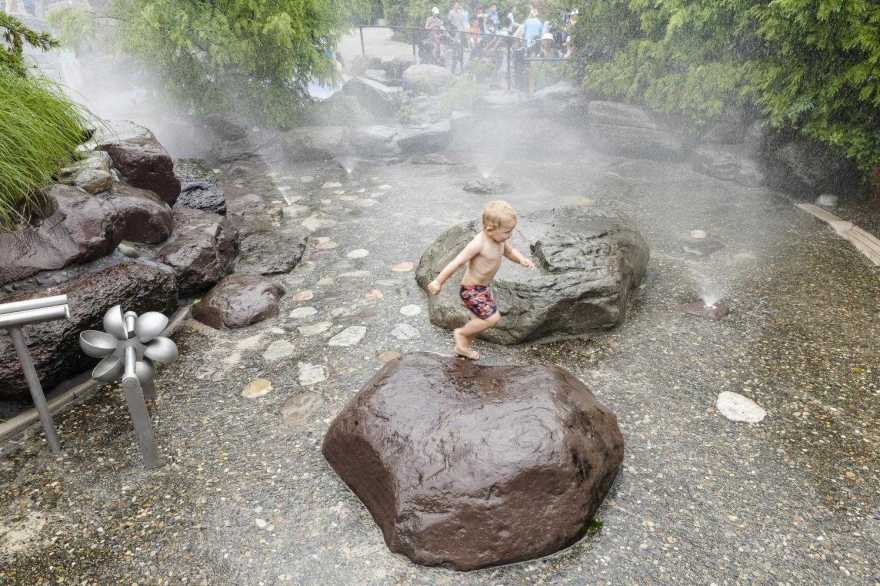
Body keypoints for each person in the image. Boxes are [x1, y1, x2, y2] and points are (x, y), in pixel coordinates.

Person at [427, 200, 535, 360]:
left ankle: (462, 347)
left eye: (511, 231)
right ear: (489, 228)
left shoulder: (500, 239)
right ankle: (461, 334)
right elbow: (456, 262)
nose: (509, 235)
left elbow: (510, 252)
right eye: (507, 232)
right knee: (491, 318)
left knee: (478, 322)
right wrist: (438, 281)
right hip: (471, 290)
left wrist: (521, 259)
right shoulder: (478, 244)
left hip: (484, 288)